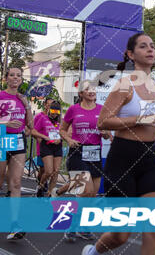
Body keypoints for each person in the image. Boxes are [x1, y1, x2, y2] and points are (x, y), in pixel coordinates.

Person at [82, 33, 155, 255]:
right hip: (123, 159)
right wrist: (141, 119)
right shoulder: (124, 84)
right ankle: (93, 251)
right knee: (121, 234)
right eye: (144, 47)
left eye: (152, 46)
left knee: (153, 229)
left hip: (149, 158)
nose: (151, 50)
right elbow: (103, 121)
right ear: (131, 54)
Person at [0, 67, 35, 240]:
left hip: (19, 142)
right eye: (12, 75)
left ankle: (15, 223)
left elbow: (31, 125)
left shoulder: (23, 98)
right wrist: (6, 124)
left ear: (21, 79)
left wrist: (26, 104)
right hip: (1, 141)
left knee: (15, 182)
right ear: (6, 78)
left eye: (19, 76)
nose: (15, 78)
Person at [61, 80, 112, 243]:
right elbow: (62, 130)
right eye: (87, 89)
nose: (91, 91)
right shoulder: (73, 109)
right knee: (84, 190)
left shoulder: (102, 110)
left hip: (95, 153)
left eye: (93, 89)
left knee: (92, 194)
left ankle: (83, 227)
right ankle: (71, 226)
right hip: (77, 152)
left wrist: (105, 134)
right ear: (80, 94)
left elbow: (107, 133)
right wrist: (68, 140)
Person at [32, 98, 63, 199]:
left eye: (56, 113)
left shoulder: (61, 121)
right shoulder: (43, 118)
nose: (54, 114)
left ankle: (50, 194)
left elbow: (66, 133)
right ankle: (40, 186)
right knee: (48, 171)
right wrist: (45, 137)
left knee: (56, 171)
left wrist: (61, 138)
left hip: (57, 146)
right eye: (53, 112)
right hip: (46, 145)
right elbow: (33, 131)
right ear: (49, 110)